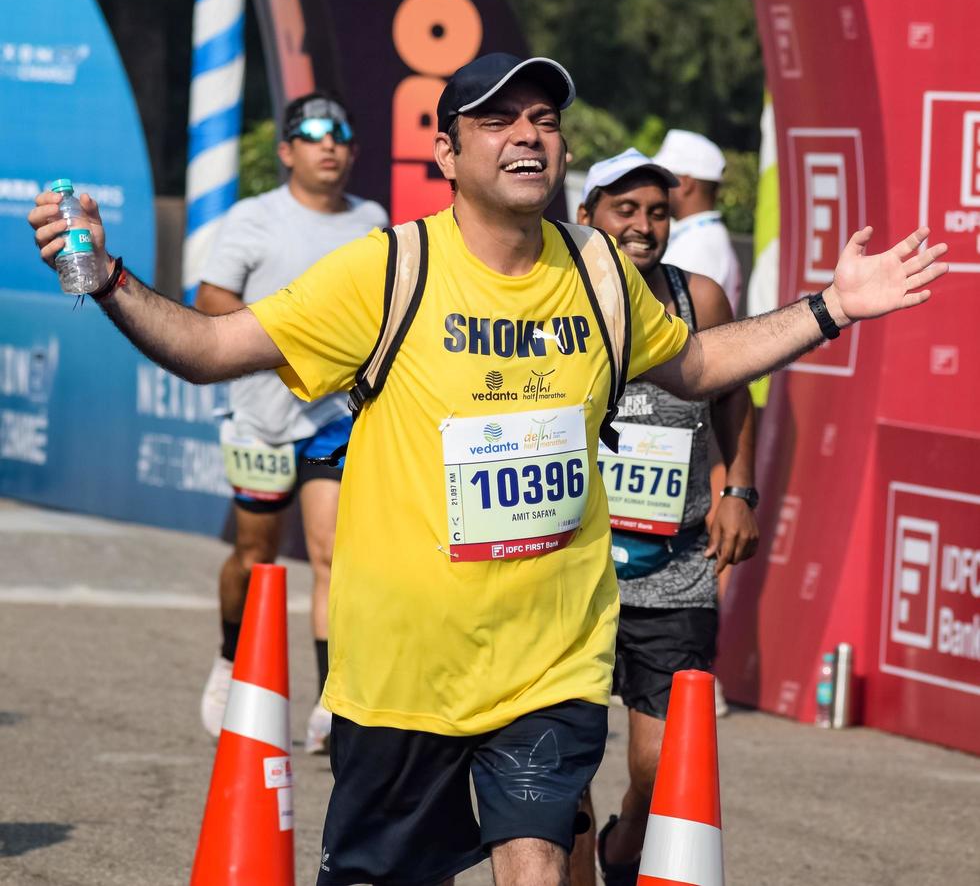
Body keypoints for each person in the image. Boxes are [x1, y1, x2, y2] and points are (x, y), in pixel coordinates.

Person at [28, 52, 947, 886]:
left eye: (545, 119)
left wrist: (831, 306)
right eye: (499, 120)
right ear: (446, 152)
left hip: (549, 660)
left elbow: (699, 365)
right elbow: (211, 345)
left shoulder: (596, 271)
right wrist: (107, 276)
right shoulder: (387, 272)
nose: (528, 136)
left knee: (541, 863)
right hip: (401, 672)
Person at [571, 148, 759, 886]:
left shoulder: (699, 300)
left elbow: (733, 395)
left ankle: (624, 850)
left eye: (657, 211)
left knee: (659, 762)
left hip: (674, 565)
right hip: (571, 565)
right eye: (625, 211)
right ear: (587, 219)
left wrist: (737, 489)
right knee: (563, 761)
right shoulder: (554, 297)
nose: (644, 226)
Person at [196, 91, 388, 753]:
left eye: (340, 133)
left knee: (333, 555)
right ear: (287, 151)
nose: (327, 144)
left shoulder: (372, 219)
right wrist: (289, 335)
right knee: (255, 555)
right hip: (260, 413)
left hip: (332, 414)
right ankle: (228, 656)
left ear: (353, 151)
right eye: (312, 133)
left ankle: (331, 706)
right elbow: (211, 300)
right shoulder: (254, 217)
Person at [652, 129, 742, 313]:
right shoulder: (700, 237)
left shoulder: (699, 246)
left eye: (663, 177)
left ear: (685, 184)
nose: (655, 185)